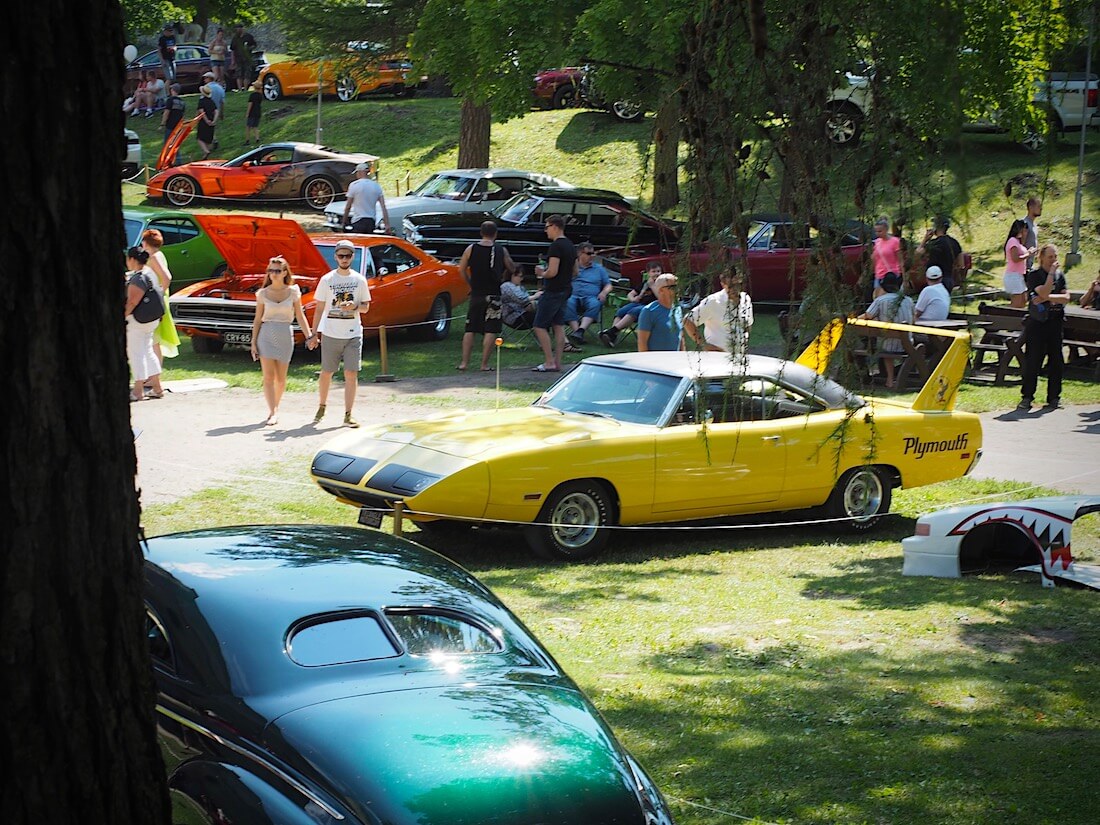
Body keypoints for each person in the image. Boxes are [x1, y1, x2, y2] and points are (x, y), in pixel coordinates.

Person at [308, 239, 372, 427]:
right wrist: (314, 334)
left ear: (353, 257)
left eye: (348, 255)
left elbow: (366, 307)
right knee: (327, 372)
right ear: (335, 257)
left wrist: (354, 306)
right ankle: (322, 405)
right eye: (341, 255)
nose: (344, 259)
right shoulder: (327, 280)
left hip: (353, 333)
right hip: (330, 333)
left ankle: (348, 414)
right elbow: (319, 308)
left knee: (351, 373)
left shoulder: (359, 280)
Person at [249, 256, 312, 425]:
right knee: (268, 377)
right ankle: (272, 411)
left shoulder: (293, 292)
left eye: (277, 271)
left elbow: (300, 316)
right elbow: (257, 319)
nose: (273, 274)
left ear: (285, 272)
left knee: (281, 378)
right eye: (270, 270)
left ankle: (276, 406)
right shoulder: (262, 293)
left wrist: (309, 336)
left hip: (285, 333)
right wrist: (253, 342)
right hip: (266, 333)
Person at [457, 220, 516, 371]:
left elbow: (461, 269)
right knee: (491, 328)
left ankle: (464, 362)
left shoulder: (471, 249)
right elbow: (511, 267)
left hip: (477, 293)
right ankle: (484, 364)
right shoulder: (500, 249)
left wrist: (470, 283)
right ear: (495, 234)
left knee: (470, 328)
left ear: (481, 232)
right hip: (494, 293)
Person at [1018, 244, 1069, 412]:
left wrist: (1048, 297)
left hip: (1055, 322)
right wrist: (1050, 279)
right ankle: (1027, 397)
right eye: (1050, 257)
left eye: (1055, 257)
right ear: (1041, 258)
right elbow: (1043, 290)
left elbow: (1066, 297)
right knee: (1033, 360)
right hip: (1037, 324)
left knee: (1056, 362)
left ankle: (1054, 397)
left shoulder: (1061, 276)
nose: (1054, 260)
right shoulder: (1034, 276)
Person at [531, 214, 576, 372]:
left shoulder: (556, 246)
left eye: (547, 227)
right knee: (558, 325)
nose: (545, 231)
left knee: (539, 326)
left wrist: (541, 272)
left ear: (555, 227)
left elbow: (552, 271)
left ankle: (549, 361)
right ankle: (557, 361)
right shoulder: (571, 245)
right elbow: (575, 271)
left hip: (553, 290)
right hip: (566, 289)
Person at [857, 271, 914, 388]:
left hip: (888, 344)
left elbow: (867, 316)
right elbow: (913, 319)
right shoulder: (908, 300)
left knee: (884, 343)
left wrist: (854, 318)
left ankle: (889, 379)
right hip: (908, 342)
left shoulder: (881, 300)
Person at [124, 247, 166, 402]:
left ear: (133, 260)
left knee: (136, 353)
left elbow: (132, 301)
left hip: (137, 321)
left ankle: (138, 390)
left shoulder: (138, 278)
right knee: (148, 351)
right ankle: (157, 387)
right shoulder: (149, 273)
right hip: (151, 320)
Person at [683, 268, 754, 356]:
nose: (734, 289)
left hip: (740, 358)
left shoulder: (746, 299)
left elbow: (748, 325)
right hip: (717, 358)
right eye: (730, 286)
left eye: (738, 284)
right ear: (723, 284)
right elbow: (688, 320)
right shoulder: (713, 301)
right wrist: (703, 345)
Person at [597, 261, 660, 347]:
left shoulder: (661, 284)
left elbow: (661, 298)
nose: (656, 274)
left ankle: (611, 332)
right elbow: (630, 294)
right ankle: (612, 337)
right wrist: (633, 299)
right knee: (621, 311)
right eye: (654, 271)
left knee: (634, 311)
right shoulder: (644, 284)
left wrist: (653, 286)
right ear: (648, 273)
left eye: (658, 271)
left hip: (653, 307)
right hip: (639, 304)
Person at [141, 229, 181, 363]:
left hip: (156, 300)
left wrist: (159, 293)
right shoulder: (159, 254)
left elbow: (166, 277)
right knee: (154, 339)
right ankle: (153, 375)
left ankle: (154, 376)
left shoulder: (154, 257)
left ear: (146, 243)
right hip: (158, 298)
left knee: (154, 339)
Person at [565, 242, 612, 348]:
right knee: (567, 301)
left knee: (596, 303)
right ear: (580, 254)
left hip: (591, 297)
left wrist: (604, 292)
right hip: (573, 295)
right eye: (589, 253)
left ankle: (580, 331)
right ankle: (577, 332)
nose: (592, 256)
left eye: (593, 253)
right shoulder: (571, 267)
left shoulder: (599, 269)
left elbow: (608, 284)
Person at [637, 274, 684, 352]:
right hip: (655, 361)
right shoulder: (649, 311)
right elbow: (642, 343)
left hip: (674, 361)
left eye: (678, 286)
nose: (677, 290)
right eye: (673, 287)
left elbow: (680, 337)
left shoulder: (677, 309)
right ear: (660, 290)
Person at [917, 215, 964, 292]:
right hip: (949, 279)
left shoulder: (934, 244)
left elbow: (918, 253)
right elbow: (961, 265)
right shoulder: (954, 243)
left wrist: (925, 240)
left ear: (936, 227)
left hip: (934, 280)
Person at [341, 163, 390, 234]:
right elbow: (383, 207)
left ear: (360, 172)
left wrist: (344, 221)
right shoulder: (376, 186)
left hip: (358, 220)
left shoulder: (354, 185)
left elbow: (348, 206)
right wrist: (387, 225)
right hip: (371, 221)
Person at [1002, 219, 1034, 309]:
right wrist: (1028, 254)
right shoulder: (1012, 241)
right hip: (1013, 275)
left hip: (1018, 275)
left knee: (1023, 301)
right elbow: (1015, 258)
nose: (1026, 232)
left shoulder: (1018, 243)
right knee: (1017, 304)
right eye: (1024, 229)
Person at [871, 215, 903, 298]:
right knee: (877, 297)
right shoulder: (877, 242)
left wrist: (903, 275)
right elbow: (875, 258)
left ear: (886, 230)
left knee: (890, 297)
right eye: (876, 231)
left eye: (880, 231)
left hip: (891, 274)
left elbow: (900, 259)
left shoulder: (895, 241)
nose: (877, 234)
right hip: (879, 274)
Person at [230, 24, 257, 92]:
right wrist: (233, 60)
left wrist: (249, 48)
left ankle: (245, 89)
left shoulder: (249, 37)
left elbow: (254, 45)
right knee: (239, 74)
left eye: (239, 28)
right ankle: (239, 89)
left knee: (247, 74)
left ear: (242, 28)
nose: (237, 30)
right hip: (238, 59)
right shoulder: (235, 38)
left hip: (247, 58)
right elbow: (232, 49)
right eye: (236, 28)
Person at [202, 71, 226, 141]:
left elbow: (202, 100)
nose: (204, 80)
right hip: (216, 110)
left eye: (205, 78)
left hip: (207, 110)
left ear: (209, 79)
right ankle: (214, 139)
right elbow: (222, 102)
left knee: (207, 126)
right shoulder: (220, 88)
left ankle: (212, 140)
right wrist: (221, 112)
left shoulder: (206, 88)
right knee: (213, 125)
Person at [196, 84, 218, 160]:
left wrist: (206, 120)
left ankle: (206, 151)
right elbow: (216, 111)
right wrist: (214, 120)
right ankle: (206, 154)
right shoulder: (211, 101)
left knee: (200, 138)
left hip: (203, 122)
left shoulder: (201, 101)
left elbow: (201, 112)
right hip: (212, 121)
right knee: (208, 139)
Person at [1023, 197, 1042, 270]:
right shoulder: (1025, 223)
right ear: (1030, 207)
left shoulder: (1034, 224)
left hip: (1030, 264)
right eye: (1038, 206)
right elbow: (1020, 245)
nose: (1041, 208)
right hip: (1023, 266)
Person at [245, 80, 263, 145]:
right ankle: (257, 138)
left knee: (248, 126)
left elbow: (250, 104)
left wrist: (247, 113)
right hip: (258, 112)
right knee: (255, 126)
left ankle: (247, 140)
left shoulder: (252, 95)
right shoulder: (260, 95)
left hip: (252, 112)